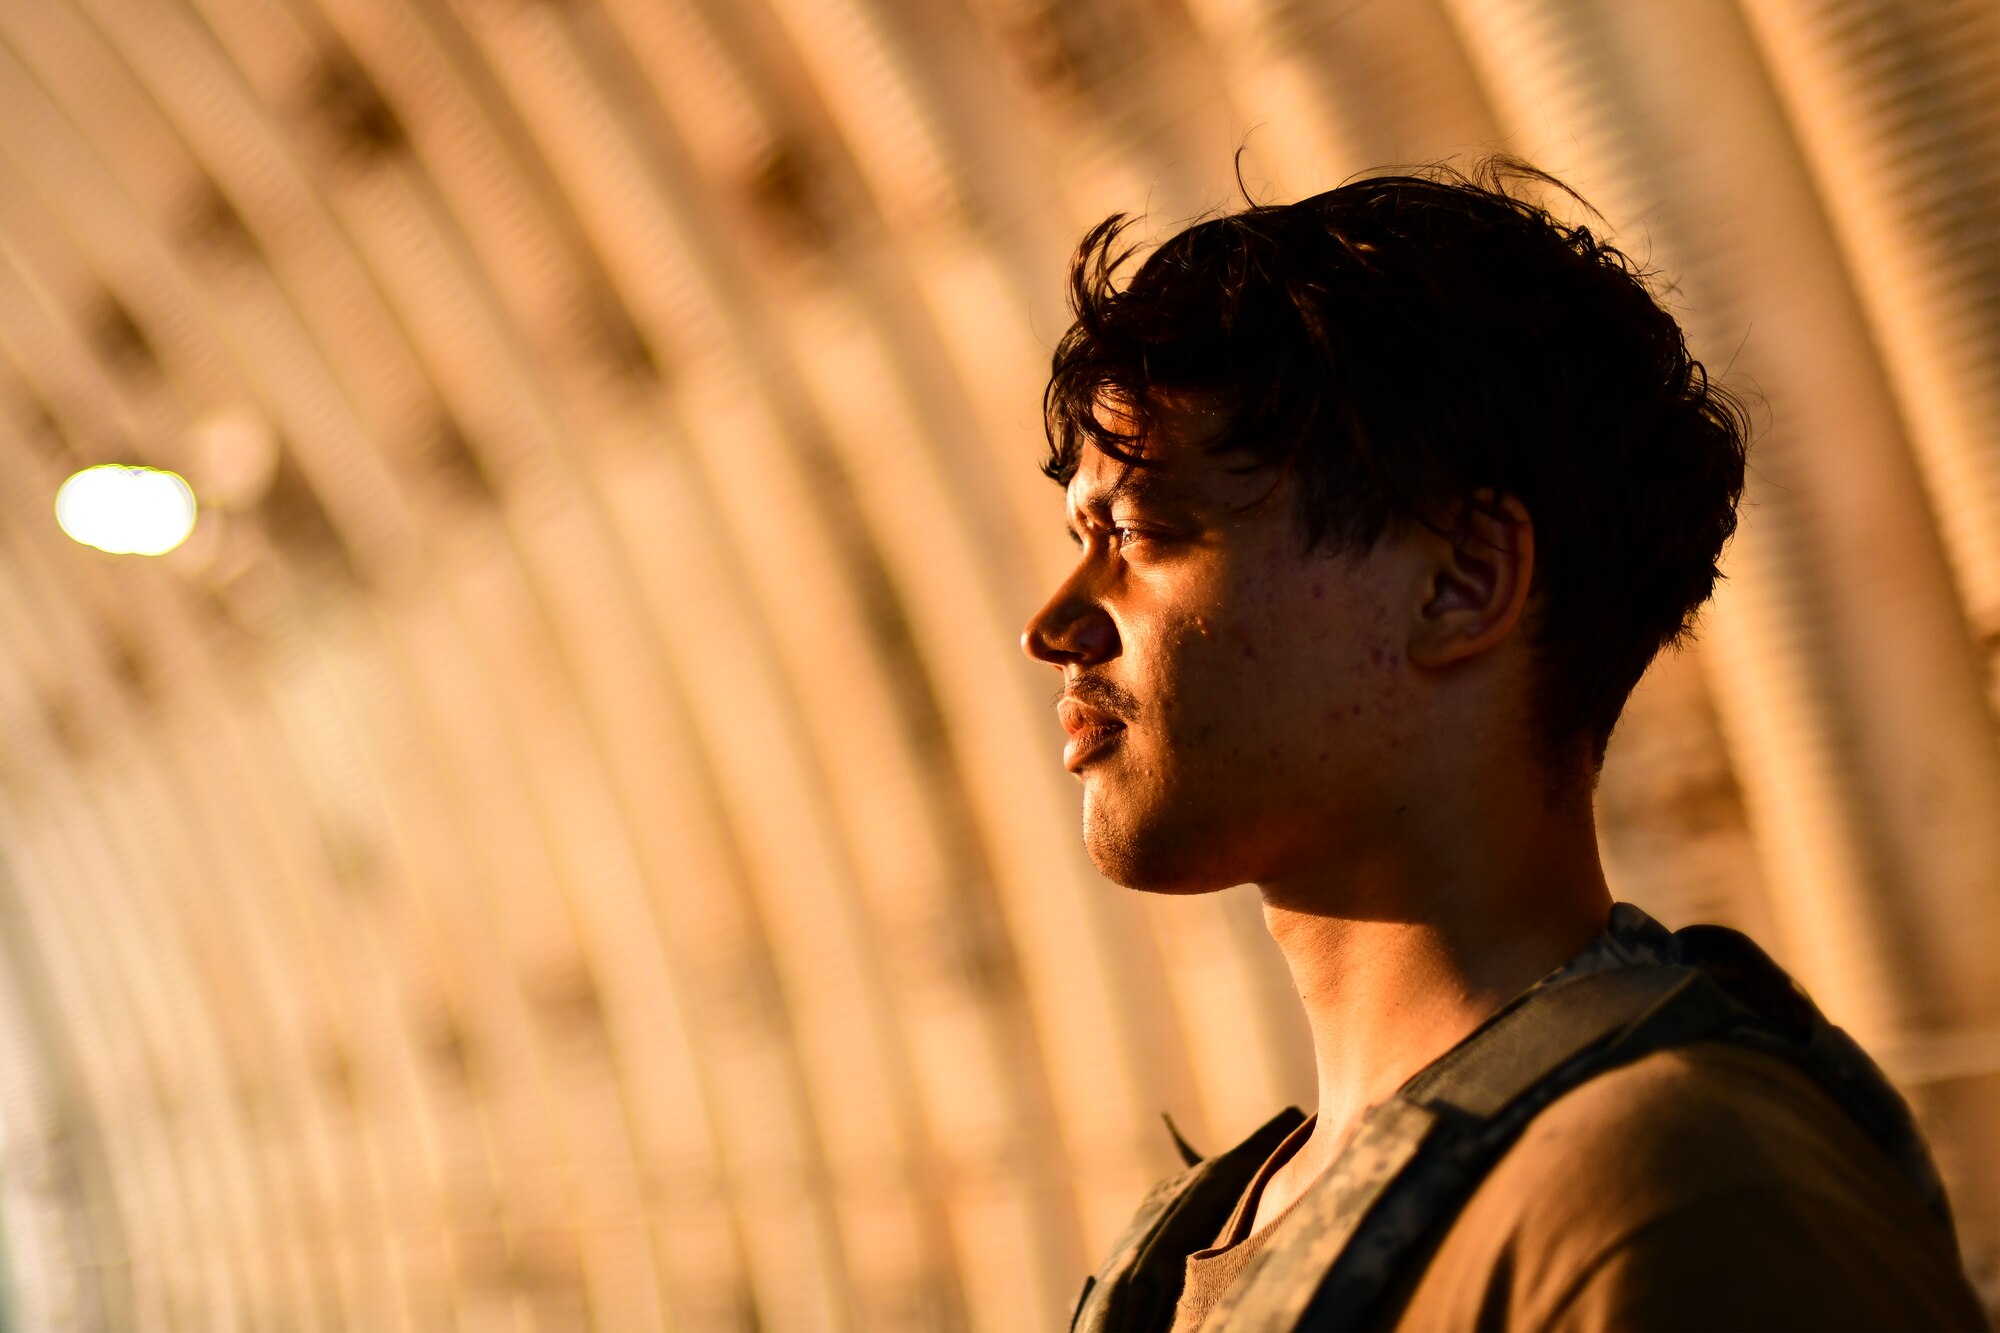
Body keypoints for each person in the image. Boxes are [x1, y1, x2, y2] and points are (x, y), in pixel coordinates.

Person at [1020, 159, 1990, 1331]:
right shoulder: (1216, 1230)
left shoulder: (1675, 1203)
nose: (1053, 624)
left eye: (1140, 530)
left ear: (1463, 580)